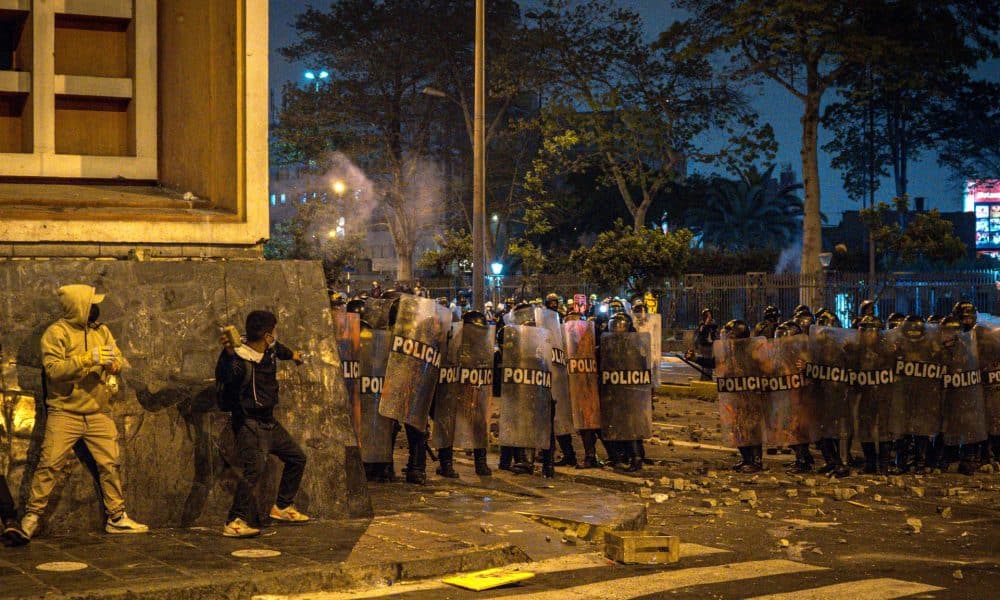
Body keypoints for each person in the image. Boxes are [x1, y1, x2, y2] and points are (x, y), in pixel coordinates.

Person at [20, 285, 148, 540]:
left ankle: (117, 517)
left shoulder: (102, 331)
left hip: (98, 410)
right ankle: (31, 517)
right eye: (90, 304)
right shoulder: (56, 334)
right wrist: (88, 358)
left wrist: (115, 364)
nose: (95, 308)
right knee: (49, 465)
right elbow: (54, 370)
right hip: (64, 411)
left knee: (110, 464)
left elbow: (119, 359)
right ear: (77, 306)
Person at [218, 310, 310, 538]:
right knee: (254, 470)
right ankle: (235, 521)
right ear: (268, 335)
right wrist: (229, 354)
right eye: (274, 331)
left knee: (297, 458)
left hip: (269, 422)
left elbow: (281, 350)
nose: (276, 336)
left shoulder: (270, 349)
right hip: (249, 424)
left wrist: (295, 355)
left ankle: (282, 506)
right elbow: (226, 376)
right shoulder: (239, 356)